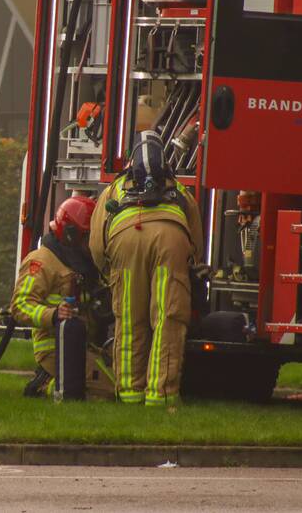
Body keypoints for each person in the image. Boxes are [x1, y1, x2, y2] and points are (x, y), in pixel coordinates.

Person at [90, 130, 203, 407]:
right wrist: (189, 264)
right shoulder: (179, 190)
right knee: (168, 319)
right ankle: (161, 395)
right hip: (171, 243)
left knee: (129, 320)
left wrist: (108, 271)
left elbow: (96, 243)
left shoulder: (114, 189)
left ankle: (130, 393)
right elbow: (196, 240)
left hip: (125, 244)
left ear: (131, 160)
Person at [10, 196, 116, 399]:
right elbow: (20, 305)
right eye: (89, 236)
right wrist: (53, 314)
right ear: (71, 235)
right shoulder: (41, 262)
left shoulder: (86, 262)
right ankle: (45, 385)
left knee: (127, 382)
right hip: (56, 348)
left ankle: (62, 380)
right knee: (109, 393)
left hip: (87, 344)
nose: (93, 242)